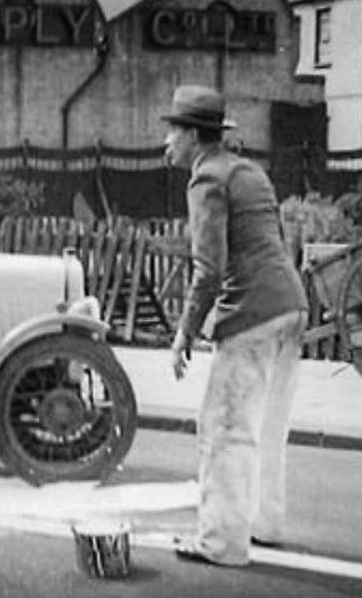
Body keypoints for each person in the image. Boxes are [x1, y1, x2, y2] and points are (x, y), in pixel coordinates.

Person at [162, 85, 309, 567]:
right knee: (268, 426)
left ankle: (222, 543)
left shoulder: (206, 179)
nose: (167, 143)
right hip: (291, 307)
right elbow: (276, 242)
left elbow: (208, 269)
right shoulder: (249, 172)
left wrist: (185, 331)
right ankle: (265, 523)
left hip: (252, 316)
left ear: (193, 136)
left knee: (224, 430)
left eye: (172, 132)